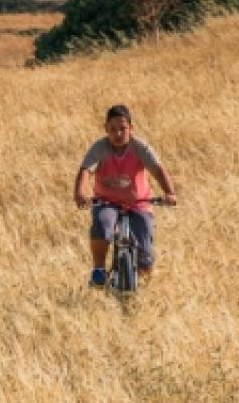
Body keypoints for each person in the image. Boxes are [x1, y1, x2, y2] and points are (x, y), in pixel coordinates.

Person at [73, 104, 177, 287]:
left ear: (131, 128)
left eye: (123, 128)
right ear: (106, 129)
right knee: (102, 225)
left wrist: (170, 192)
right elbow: (85, 171)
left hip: (139, 203)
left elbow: (157, 169)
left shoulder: (140, 147)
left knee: (145, 254)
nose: (118, 134)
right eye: (113, 129)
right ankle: (98, 270)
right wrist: (80, 193)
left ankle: (142, 286)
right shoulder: (100, 148)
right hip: (107, 202)